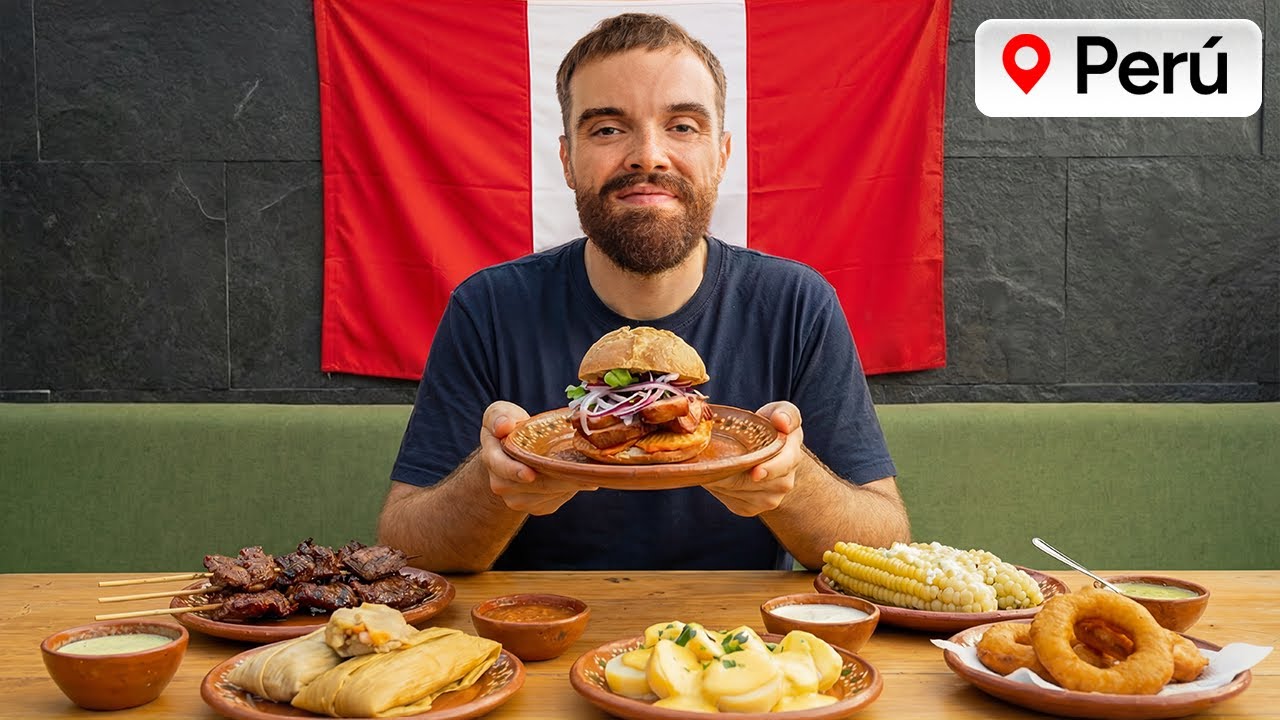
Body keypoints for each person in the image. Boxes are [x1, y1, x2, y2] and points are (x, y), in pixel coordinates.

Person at [378, 13, 909, 572]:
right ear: (567, 159)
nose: (648, 156)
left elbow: (885, 541)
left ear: (722, 155)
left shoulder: (797, 303)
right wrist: (493, 484)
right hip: (539, 634)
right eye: (608, 129)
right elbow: (405, 546)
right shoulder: (487, 308)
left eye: (682, 126)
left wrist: (788, 478)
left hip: (741, 647)